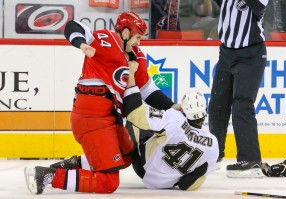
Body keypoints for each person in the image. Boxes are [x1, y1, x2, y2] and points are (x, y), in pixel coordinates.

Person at [24, 11, 179, 195]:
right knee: (108, 183)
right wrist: (81, 44)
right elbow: (73, 26)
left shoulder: (136, 57)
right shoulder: (107, 39)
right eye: (137, 37)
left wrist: (172, 106)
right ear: (126, 33)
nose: (139, 42)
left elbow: (147, 91)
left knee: (127, 155)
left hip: (109, 118)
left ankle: (66, 167)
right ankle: (47, 176)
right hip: (91, 118)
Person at [122, 61, 219, 190]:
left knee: (134, 120)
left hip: (143, 169)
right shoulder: (213, 144)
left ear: (183, 110)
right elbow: (188, 184)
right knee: (162, 131)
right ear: (204, 114)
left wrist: (132, 75)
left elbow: (134, 112)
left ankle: (110, 158)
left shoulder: (174, 118)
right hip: (168, 183)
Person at [208, 0, 269, 178]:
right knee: (217, 104)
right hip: (226, 52)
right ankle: (214, 154)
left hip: (252, 53)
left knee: (242, 105)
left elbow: (257, 5)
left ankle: (251, 160)